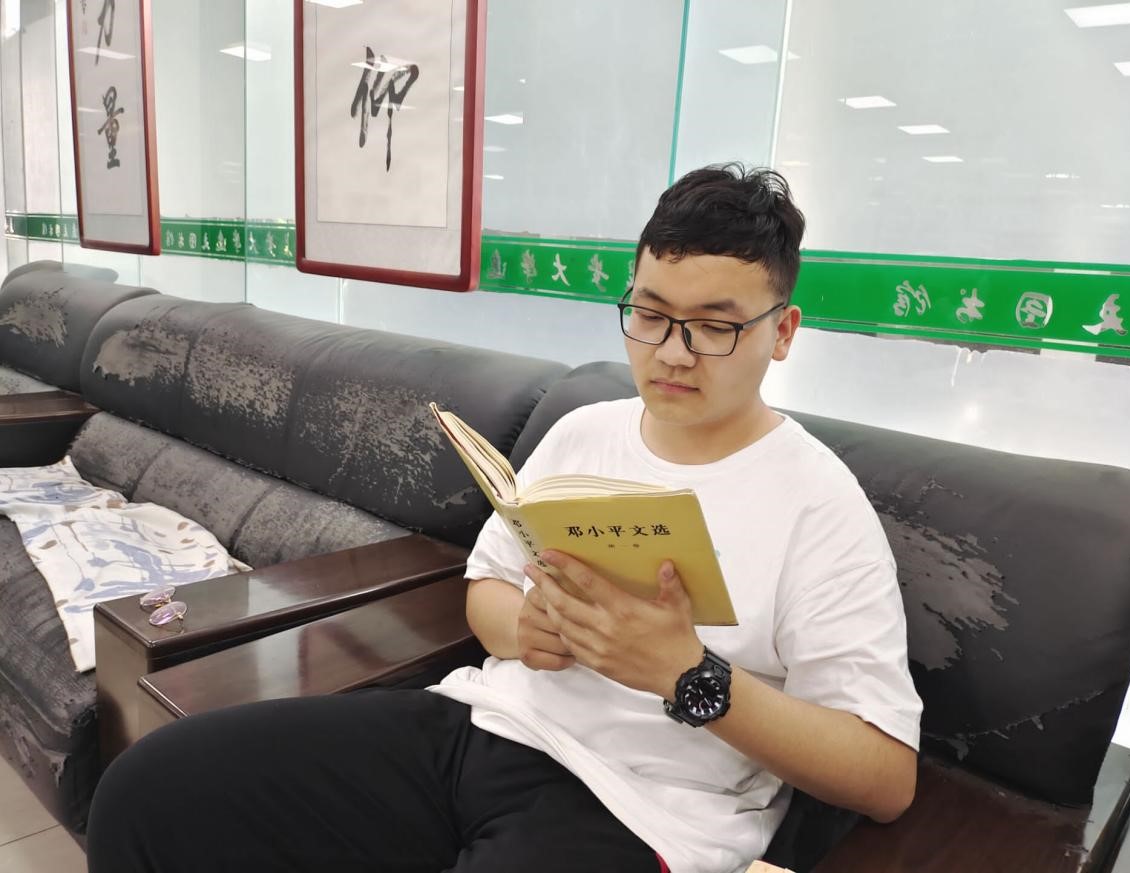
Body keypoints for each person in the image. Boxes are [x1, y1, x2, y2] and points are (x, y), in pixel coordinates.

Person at [86, 164, 921, 873]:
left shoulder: (819, 505)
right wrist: (530, 629)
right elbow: (485, 588)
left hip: (643, 808)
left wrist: (686, 674)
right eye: (651, 313)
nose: (672, 351)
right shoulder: (585, 432)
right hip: (482, 724)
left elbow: (885, 777)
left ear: (783, 332)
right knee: (148, 790)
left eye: (715, 327)